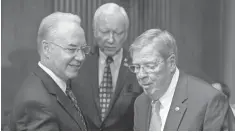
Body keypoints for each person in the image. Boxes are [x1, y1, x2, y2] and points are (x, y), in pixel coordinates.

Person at [129, 28, 230, 131]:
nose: (141, 75)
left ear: (171, 63)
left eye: (150, 66)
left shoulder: (209, 101)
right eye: (136, 67)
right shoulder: (140, 103)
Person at [9, 12, 90, 130]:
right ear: (47, 49)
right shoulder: (35, 103)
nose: (81, 57)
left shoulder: (67, 85)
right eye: (71, 49)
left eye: (83, 49)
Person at [72, 3, 142, 131]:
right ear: (94, 31)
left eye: (118, 33)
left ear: (126, 33)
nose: (111, 39)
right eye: (105, 32)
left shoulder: (138, 67)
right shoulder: (78, 63)